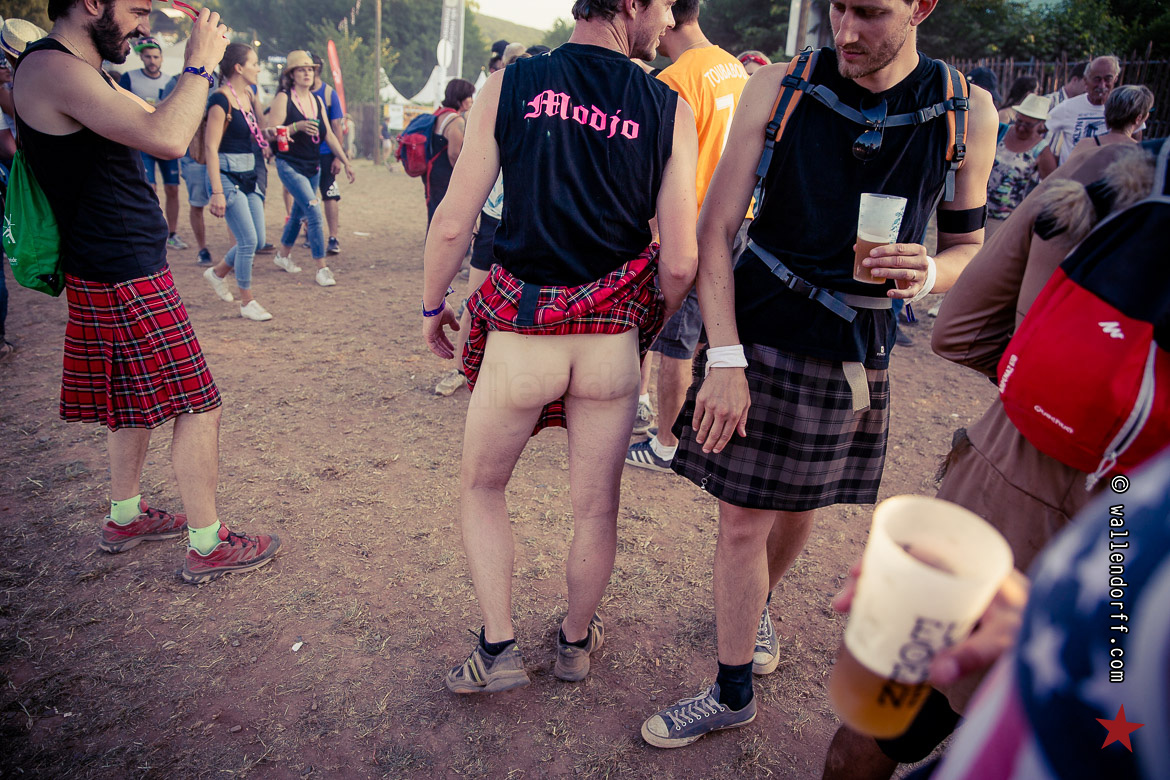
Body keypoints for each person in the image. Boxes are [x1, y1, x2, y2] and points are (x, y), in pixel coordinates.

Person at [639, 0, 996, 749]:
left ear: (921, 7)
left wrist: (929, 271)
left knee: (802, 501)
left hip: (857, 346)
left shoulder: (966, 110)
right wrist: (725, 358)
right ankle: (732, 690)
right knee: (742, 517)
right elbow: (715, 229)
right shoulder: (778, 87)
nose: (846, 31)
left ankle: (757, 607)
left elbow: (970, 249)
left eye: (870, 12)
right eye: (837, 7)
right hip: (760, 329)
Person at [822, 140, 1148, 780]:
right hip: (1127, 540)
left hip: (1001, 488)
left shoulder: (1100, 171)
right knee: (1061, 738)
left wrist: (1044, 388)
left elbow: (959, 330)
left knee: (884, 715)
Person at [422, 0, 698, 695]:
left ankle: (498, 648)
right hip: (609, 344)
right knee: (595, 510)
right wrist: (647, 326)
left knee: (483, 487)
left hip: (523, 338)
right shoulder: (668, 107)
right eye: (664, 5)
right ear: (630, 4)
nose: (668, 20)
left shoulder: (511, 83)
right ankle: (574, 642)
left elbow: (454, 222)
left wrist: (432, 305)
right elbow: (680, 261)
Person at [14, 0, 279, 582]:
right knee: (199, 403)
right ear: (92, 3)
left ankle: (125, 516)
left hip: (113, 265)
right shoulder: (53, 68)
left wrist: (191, 81)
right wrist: (201, 63)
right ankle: (208, 545)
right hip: (123, 268)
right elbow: (168, 136)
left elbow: (163, 122)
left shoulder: (77, 69)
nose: (143, 27)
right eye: (136, 10)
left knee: (130, 401)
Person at [624, 0, 751, 473]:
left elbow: (655, 169)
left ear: (670, 13)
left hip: (692, 224)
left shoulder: (677, 78)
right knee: (705, 336)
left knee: (673, 344)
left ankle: (666, 444)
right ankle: (688, 432)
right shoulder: (732, 66)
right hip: (739, 220)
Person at [267, 50, 354, 288]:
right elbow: (270, 132)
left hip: (312, 166)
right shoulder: (283, 98)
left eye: (310, 70)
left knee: (298, 214)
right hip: (289, 164)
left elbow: (329, 135)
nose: (307, 73)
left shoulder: (317, 101)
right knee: (314, 211)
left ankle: (282, 255)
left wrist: (345, 162)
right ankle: (321, 268)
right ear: (291, 75)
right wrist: (297, 126)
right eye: (301, 70)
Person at [202, 43, 272, 322]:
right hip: (227, 177)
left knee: (258, 240)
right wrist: (217, 191)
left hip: (249, 174)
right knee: (248, 241)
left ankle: (217, 273)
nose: (258, 68)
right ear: (239, 68)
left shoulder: (248, 94)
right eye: (254, 63)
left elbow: (254, 131)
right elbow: (210, 148)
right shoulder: (220, 100)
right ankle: (247, 302)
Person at [118, 37, 187, 250]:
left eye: (156, 56)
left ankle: (172, 234)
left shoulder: (170, 81)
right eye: (147, 56)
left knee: (173, 189)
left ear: (162, 58)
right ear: (141, 57)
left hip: (164, 139)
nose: (152, 60)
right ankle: (152, 231)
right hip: (142, 142)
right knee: (150, 188)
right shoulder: (129, 77)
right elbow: (120, 105)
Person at [1038, 55, 1119, 174]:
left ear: (1115, 79)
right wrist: (1048, 162)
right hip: (1071, 180)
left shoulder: (1123, 107)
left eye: (1108, 79)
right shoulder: (1068, 107)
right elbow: (1037, 131)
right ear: (1086, 80)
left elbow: (1136, 142)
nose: (1102, 85)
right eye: (1096, 79)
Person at [985, 93, 1049, 238]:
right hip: (977, 209)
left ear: (1040, 124)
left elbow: (1050, 185)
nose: (1021, 128)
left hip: (1005, 219)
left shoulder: (1041, 150)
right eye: (1019, 121)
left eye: (1028, 125)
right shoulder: (1000, 132)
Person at [424, 78, 474, 227]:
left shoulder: (440, 114)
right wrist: (464, 179)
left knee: (435, 218)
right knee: (447, 220)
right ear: (460, 98)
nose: (471, 100)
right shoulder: (456, 121)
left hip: (433, 175)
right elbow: (454, 154)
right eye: (469, 96)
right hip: (446, 178)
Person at [1064, 84, 1153, 167]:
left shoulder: (1086, 145)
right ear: (1138, 118)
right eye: (1148, 111)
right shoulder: (1141, 154)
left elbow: (1064, 174)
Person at [311, 54, 345, 256]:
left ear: (316, 69)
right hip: (303, 156)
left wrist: (337, 157)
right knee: (306, 197)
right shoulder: (294, 93)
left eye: (309, 68)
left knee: (330, 195)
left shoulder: (328, 93)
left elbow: (336, 127)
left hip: (325, 154)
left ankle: (333, 237)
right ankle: (310, 234)